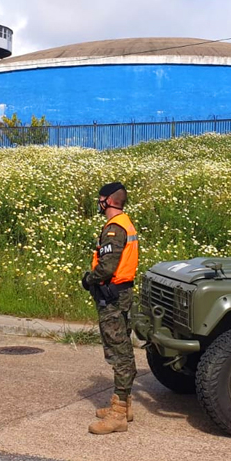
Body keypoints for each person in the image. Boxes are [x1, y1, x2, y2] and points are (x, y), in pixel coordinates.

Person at [81, 182, 139, 435]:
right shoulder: (125, 223)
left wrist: (88, 279)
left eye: (100, 198)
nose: (98, 202)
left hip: (113, 298)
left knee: (119, 352)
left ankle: (118, 415)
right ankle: (123, 405)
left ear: (108, 201)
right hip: (121, 294)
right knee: (121, 346)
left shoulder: (115, 228)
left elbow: (107, 267)